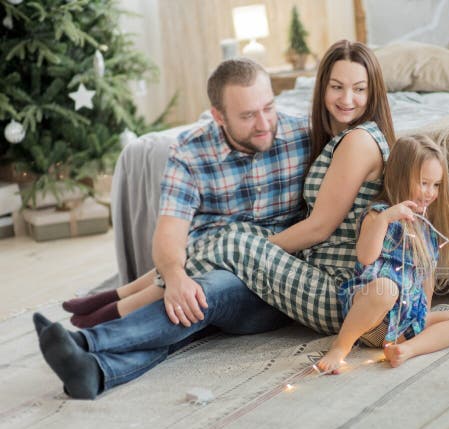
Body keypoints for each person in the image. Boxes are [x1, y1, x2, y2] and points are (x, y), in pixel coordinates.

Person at [33, 39, 395, 399]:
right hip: (236, 272)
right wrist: (174, 277)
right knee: (191, 306)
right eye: (248, 115)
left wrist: (250, 248)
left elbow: (321, 225)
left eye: (269, 107)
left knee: (222, 265)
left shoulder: (309, 135)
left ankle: (93, 332)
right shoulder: (191, 151)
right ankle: (94, 371)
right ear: (218, 116)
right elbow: (170, 234)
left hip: (288, 283)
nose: (265, 123)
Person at [176, 39, 396, 337]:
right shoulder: (340, 137)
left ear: (373, 92)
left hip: (340, 292)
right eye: (336, 87)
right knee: (232, 233)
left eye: (359, 88)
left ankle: (140, 298)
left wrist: (256, 252)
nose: (347, 98)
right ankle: (133, 294)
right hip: (319, 272)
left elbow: (319, 229)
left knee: (235, 244)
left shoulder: (358, 141)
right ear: (322, 88)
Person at [315, 135, 449, 373]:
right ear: (400, 176)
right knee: (387, 289)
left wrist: (424, 314)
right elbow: (366, 257)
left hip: (405, 322)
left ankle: (407, 350)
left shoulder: (425, 227)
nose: (430, 192)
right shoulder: (378, 216)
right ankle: (341, 346)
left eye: (436, 185)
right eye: (423, 182)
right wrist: (388, 217)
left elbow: (426, 276)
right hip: (374, 317)